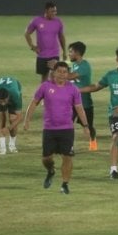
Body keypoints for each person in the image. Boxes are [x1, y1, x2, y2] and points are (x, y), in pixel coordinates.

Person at [21, 62, 89, 194]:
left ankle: (65, 184)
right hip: (49, 129)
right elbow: (34, 102)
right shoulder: (45, 86)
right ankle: (51, 170)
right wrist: (27, 119)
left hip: (67, 129)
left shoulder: (73, 89)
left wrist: (86, 126)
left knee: (67, 157)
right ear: (54, 72)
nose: (62, 75)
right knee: (46, 158)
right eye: (60, 71)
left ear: (68, 74)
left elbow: (79, 108)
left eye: (65, 72)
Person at [80, 47, 118, 179]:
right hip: (115, 114)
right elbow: (96, 86)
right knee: (116, 137)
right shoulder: (111, 75)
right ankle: (113, 170)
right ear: (117, 60)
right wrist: (77, 90)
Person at [24, 1, 67, 83]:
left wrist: (64, 51)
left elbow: (61, 37)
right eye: (52, 11)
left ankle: (55, 94)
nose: (54, 13)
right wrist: (32, 46)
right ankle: (45, 94)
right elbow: (27, 34)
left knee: (55, 76)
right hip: (42, 55)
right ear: (46, 11)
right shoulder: (37, 21)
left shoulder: (58, 22)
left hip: (54, 54)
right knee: (44, 77)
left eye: (55, 11)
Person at [67, 41, 97, 151]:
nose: (69, 54)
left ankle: (92, 141)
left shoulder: (84, 66)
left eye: (71, 51)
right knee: (68, 124)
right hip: (72, 102)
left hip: (84, 102)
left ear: (78, 53)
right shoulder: (74, 64)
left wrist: (55, 69)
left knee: (89, 126)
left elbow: (69, 76)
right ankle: (70, 146)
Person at [0, 76, 23, 154]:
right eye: (0, 101)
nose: (2, 103)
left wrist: (9, 128)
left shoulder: (15, 95)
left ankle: (12, 145)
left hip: (14, 86)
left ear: (8, 97)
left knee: (13, 118)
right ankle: (2, 147)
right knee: (2, 116)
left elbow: (20, 117)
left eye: (4, 101)